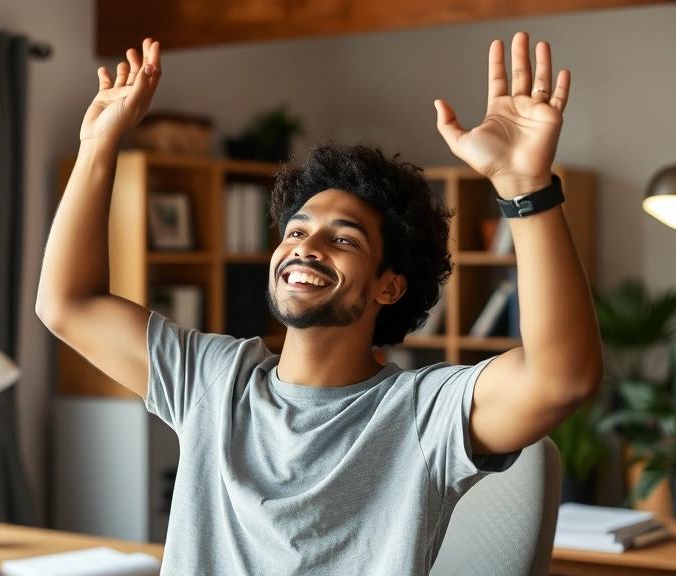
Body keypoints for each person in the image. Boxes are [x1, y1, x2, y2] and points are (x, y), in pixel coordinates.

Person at [37, 32, 602, 575]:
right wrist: (97, 145)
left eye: (344, 239)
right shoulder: (212, 382)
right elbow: (67, 303)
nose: (305, 247)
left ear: (390, 286)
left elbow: (561, 379)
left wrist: (524, 186)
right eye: (296, 230)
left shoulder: (422, 413)